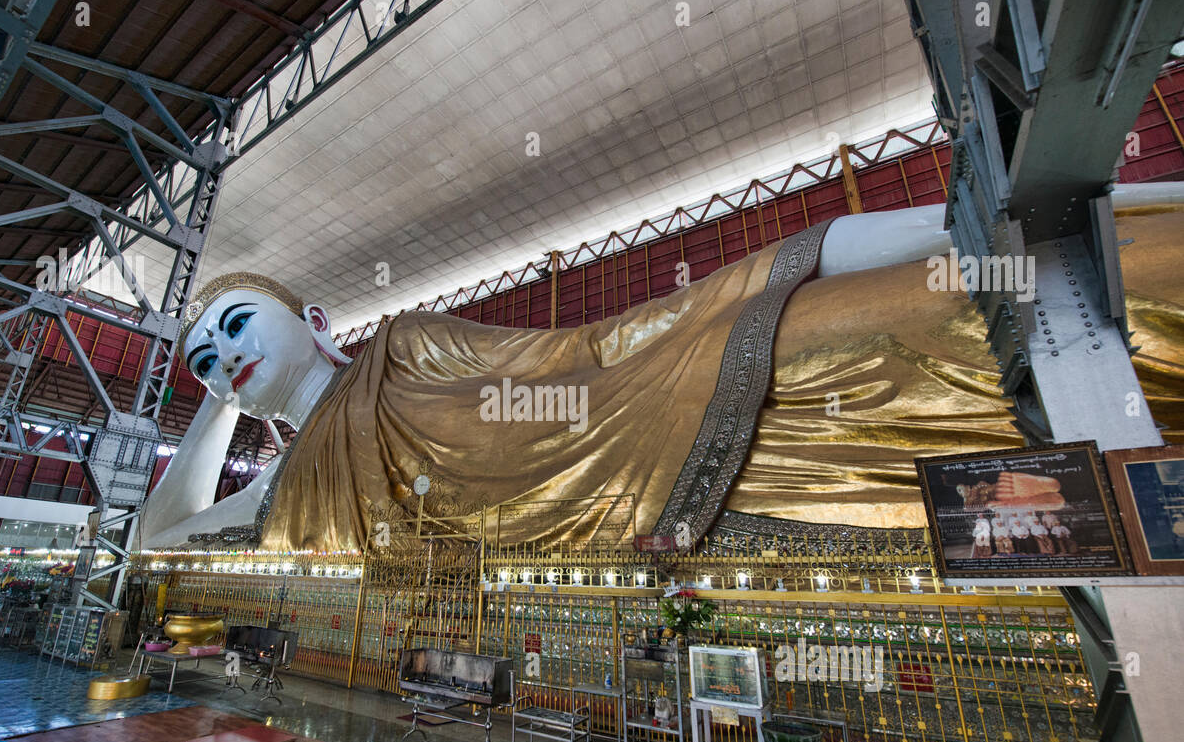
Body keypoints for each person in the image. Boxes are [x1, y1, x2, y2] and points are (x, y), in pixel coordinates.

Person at [137, 190, 1184, 552]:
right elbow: (164, 533)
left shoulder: (407, 345)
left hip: (656, 391)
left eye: (234, 327)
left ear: (319, 321)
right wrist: (216, 408)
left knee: (920, 299)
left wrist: (703, 313)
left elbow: (570, 358)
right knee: (938, 329)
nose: (223, 357)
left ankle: (1076, 214)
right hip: (688, 495)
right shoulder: (294, 492)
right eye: (203, 362)